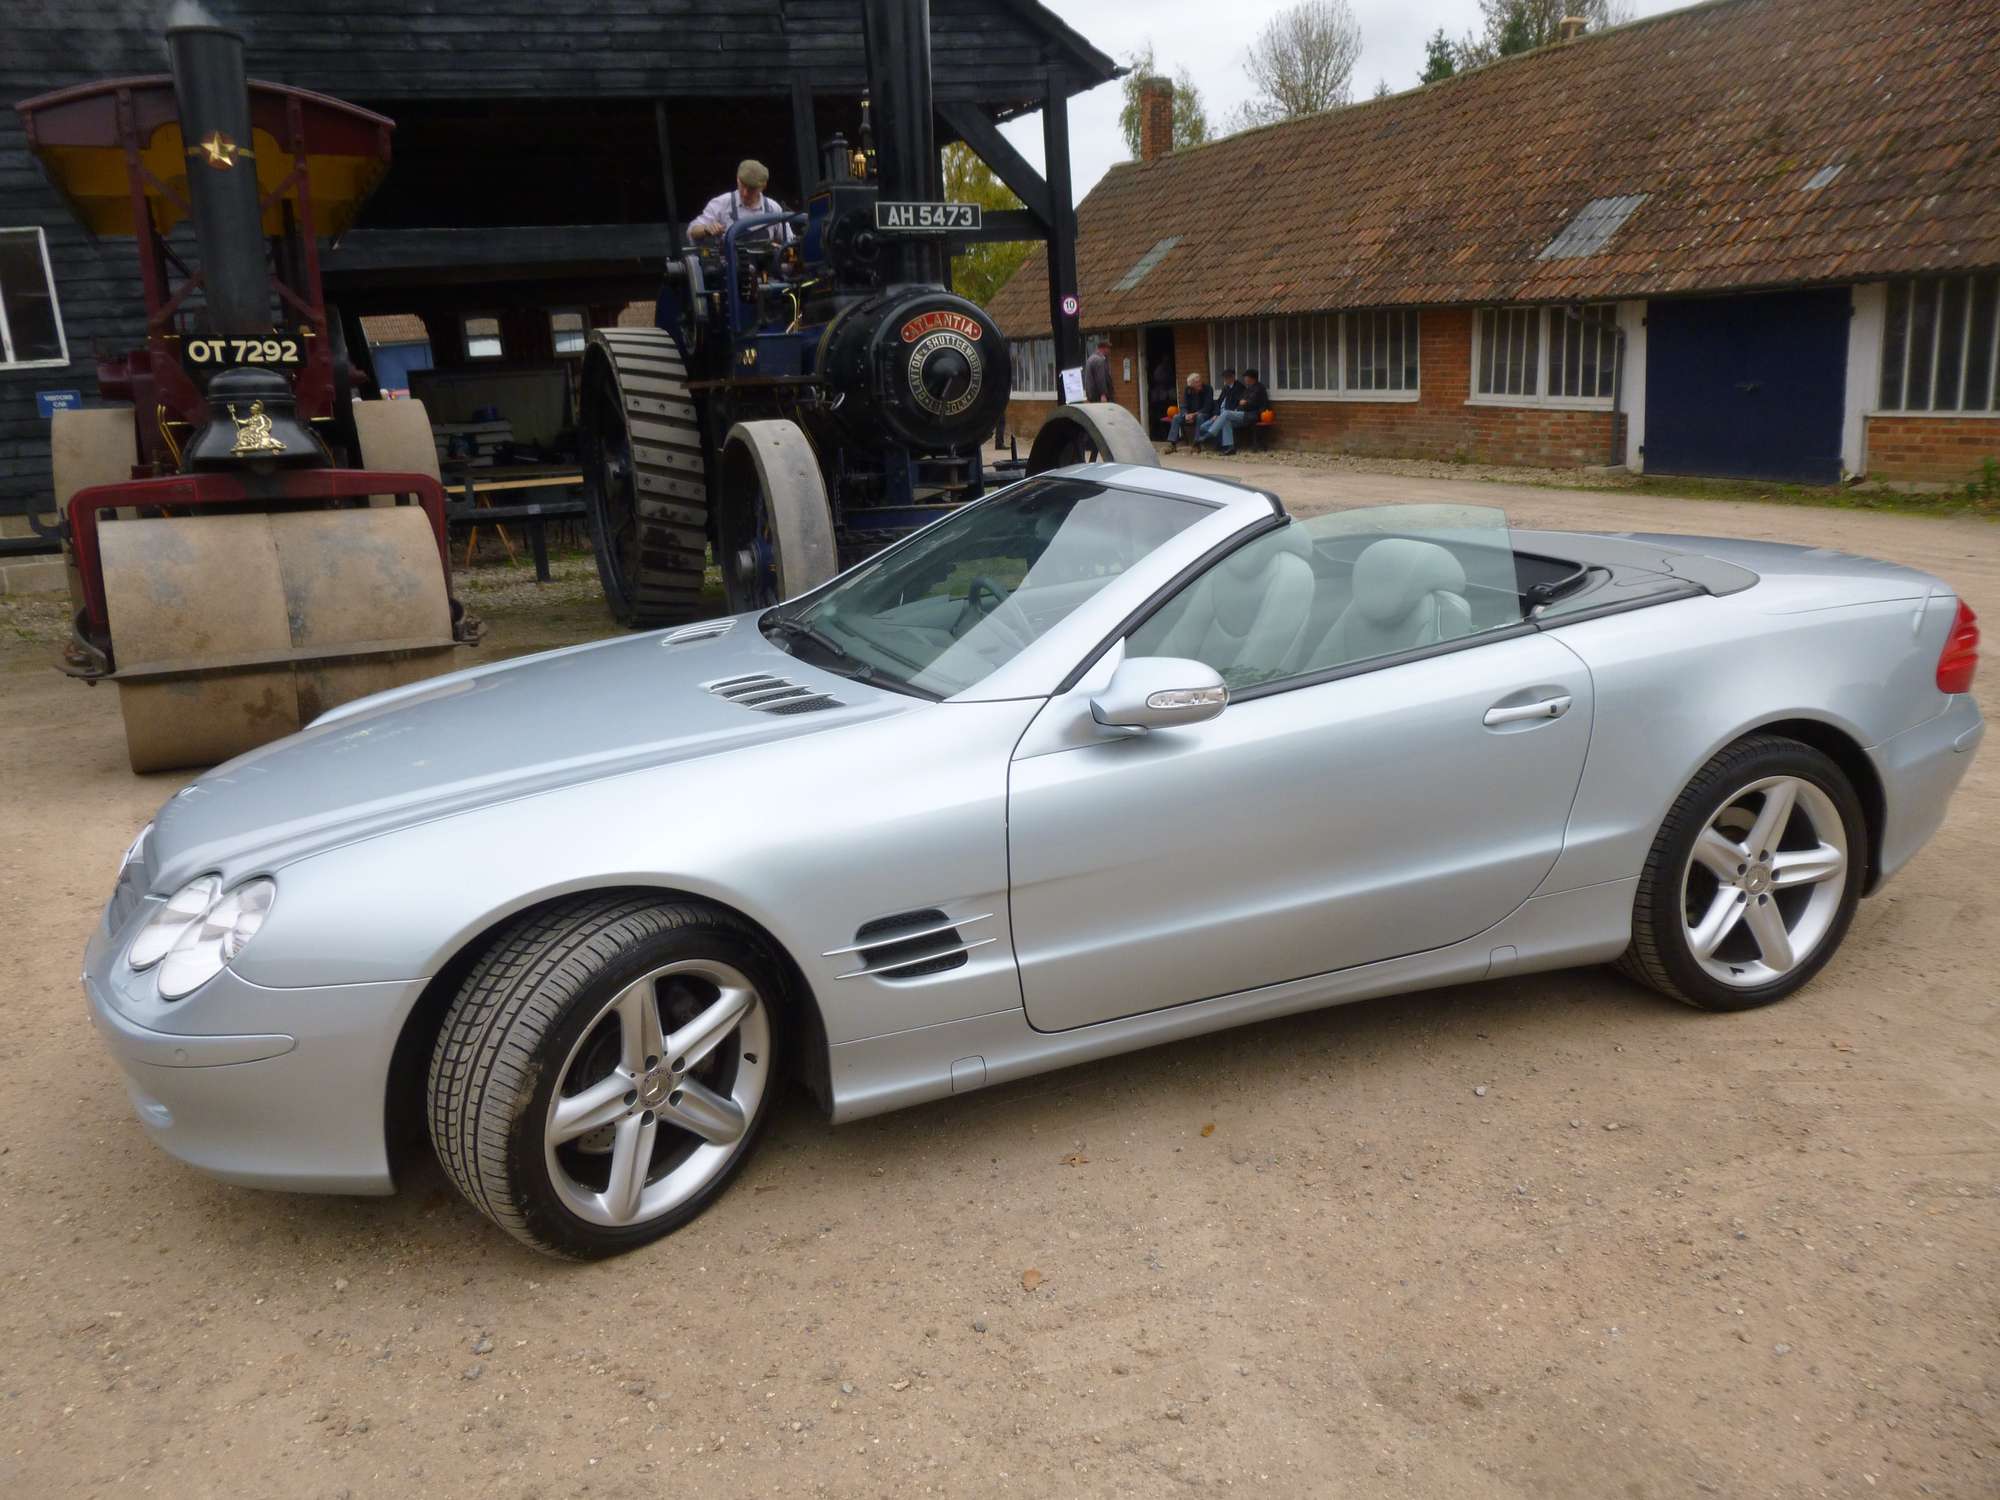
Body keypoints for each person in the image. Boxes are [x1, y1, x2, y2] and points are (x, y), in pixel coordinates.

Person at [688, 159, 793, 244]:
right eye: (742, 185)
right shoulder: (721, 204)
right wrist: (706, 229)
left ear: (763, 186)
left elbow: (789, 241)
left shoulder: (773, 208)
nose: (745, 193)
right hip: (730, 264)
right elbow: (692, 231)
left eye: (751, 189)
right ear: (737, 179)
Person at [1204, 367, 1268, 454]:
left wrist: (1244, 402)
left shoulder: (1258, 388)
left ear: (1251, 378)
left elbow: (1250, 403)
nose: (1244, 379)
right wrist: (1242, 403)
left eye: (1246, 377)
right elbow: (1241, 401)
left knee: (1226, 413)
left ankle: (1210, 433)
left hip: (1253, 415)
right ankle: (1230, 447)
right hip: (1244, 414)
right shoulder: (1248, 388)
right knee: (1226, 421)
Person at [1164, 372, 1215, 453]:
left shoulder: (1208, 389)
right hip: (1190, 415)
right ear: (1191, 385)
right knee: (1176, 417)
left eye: (1200, 381)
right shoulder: (1188, 390)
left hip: (1205, 414)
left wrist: (1193, 415)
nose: (1199, 383)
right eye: (1196, 382)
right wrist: (1186, 415)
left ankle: (1197, 444)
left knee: (1200, 417)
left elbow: (1207, 407)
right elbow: (1183, 405)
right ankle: (1172, 444)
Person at [1195, 369, 1244, 451]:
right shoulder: (1225, 388)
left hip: (1230, 414)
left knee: (1223, 423)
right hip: (1220, 414)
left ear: (1232, 377)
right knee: (1203, 426)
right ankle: (1218, 441)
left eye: (1227, 378)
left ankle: (1217, 442)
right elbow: (1218, 403)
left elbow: (1239, 404)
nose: (1225, 380)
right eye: (1224, 378)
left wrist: (1228, 413)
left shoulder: (1239, 388)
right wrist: (1216, 414)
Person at [1083, 338, 1113, 403]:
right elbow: (1100, 378)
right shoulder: (1099, 360)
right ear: (1103, 348)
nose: (1109, 350)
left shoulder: (1091, 358)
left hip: (1092, 396)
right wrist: (1103, 394)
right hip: (1098, 397)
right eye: (1108, 348)